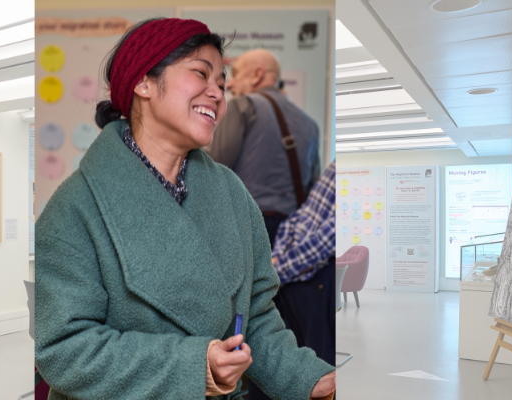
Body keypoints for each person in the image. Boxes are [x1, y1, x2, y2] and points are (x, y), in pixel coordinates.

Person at [35, 18, 334, 400]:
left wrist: (309, 379)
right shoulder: (73, 209)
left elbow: (255, 317)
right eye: (201, 73)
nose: (218, 94)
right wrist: (192, 367)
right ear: (143, 82)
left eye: (223, 84)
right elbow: (63, 349)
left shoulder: (232, 193)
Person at [206, 48, 320, 247]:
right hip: (290, 236)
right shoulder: (310, 125)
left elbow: (214, 168)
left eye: (236, 73)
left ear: (257, 75)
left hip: (246, 227)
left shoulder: (242, 106)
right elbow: (313, 189)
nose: (229, 84)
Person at [245, 162, 335, 400]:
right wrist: (277, 264)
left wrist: (278, 268)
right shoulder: (337, 167)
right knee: (274, 352)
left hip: (308, 279)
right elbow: (298, 219)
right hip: (295, 276)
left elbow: (328, 237)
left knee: (312, 364)